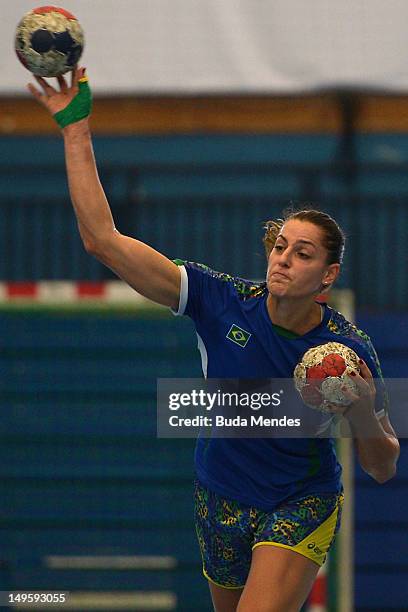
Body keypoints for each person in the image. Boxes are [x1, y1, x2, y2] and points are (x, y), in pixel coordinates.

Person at [28, 68, 400, 612]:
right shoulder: (219, 300)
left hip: (300, 502)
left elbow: (383, 465)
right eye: (280, 246)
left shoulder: (349, 353)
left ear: (327, 276)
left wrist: (364, 411)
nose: (283, 258)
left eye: (302, 253)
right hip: (219, 495)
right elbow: (102, 241)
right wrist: (75, 130)